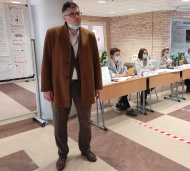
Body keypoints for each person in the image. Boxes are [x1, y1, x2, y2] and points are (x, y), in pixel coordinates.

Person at [41, 2, 102, 170]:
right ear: (64, 17)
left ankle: (85, 149)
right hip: (60, 87)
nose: (77, 16)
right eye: (72, 14)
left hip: (84, 86)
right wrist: (46, 88)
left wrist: (98, 86)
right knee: (60, 123)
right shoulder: (52, 34)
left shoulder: (89, 36)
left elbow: (96, 63)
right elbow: (46, 62)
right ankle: (62, 154)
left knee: (85, 122)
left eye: (78, 13)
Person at [105, 48, 137, 116]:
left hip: (120, 82)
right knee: (124, 91)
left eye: (119, 54)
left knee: (126, 88)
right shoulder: (108, 64)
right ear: (111, 56)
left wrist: (126, 72)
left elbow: (125, 70)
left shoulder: (120, 63)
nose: (118, 56)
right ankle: (128, 108)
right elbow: (111, 75)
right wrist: (121, 74)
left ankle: (119, 103)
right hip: (112, 84)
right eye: (116, 55)